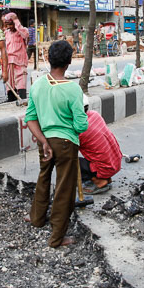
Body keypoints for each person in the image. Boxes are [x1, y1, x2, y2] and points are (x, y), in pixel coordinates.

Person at [24, 40, 88, 247]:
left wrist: (43, 141)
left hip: (45, 141)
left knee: (43, 178)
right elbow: (80, 126)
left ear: (49, 60)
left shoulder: (38, 85)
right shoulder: (72, 89)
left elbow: (30, 118)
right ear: (69, 62)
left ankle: (37, 218)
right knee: (64, 188)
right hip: (66, 143)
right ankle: (56, 237)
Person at [79, 97, 122, 195]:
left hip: (105, 168)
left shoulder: (80, 129)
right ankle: (105, 178)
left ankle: (99, 181)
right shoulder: (94, 114)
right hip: (115, 162)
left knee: (67, 160)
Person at [2, 12, 29, 101]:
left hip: (20, 62)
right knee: (10, 83)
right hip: (9, 62)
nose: (9, 27)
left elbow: (25, 35)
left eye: (11, 24)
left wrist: (16, 20)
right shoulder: (6, 33)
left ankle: (22, 100)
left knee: (21, 83)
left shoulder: (23, 31)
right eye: (7, 25)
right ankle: (11, 100)